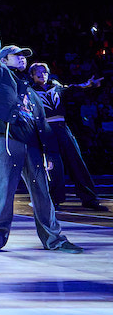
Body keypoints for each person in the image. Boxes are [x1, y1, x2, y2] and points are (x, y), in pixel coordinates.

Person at [0, 0, 83, 254]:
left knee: (42, 194)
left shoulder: (32, 91)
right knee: (0, 189)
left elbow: (43, 126)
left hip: (32, 145)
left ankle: (54, 239)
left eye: (24, 56)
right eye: (16, 55)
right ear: (3, 60)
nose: (22, 58)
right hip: (6, 138)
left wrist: (48, 153)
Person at [28, 62, 105, 210]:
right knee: (53, 165)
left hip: (62, 128)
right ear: (32, 75)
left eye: (44, 71)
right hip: (45, 130)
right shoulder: (30, 91)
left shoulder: (56, 86)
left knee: (76, 161)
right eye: (38, 72)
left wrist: (89, 85)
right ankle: (54, 199)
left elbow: (73, 88)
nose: (42, 74)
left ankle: (89, 198)